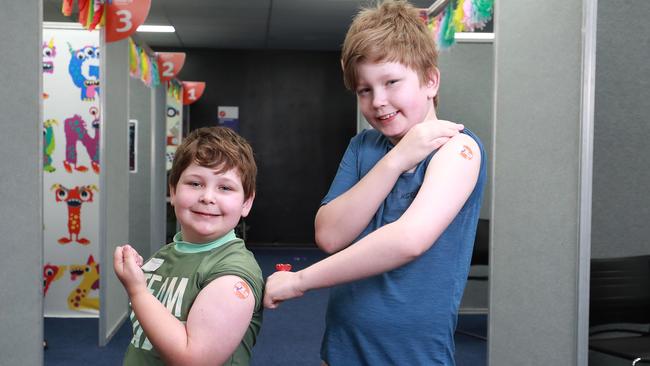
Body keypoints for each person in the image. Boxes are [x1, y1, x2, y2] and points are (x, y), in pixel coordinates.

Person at [263, 1, 487, 365]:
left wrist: (300, 281)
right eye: (364, 90)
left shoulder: (459, 149)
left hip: (413, 355)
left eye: (391, 82)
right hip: (342, 344)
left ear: (430, 80)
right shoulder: (364, 146)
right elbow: (331, 235)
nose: (377, 102)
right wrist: (397, 159)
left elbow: (408, 241)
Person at [114, 127, 264, 365]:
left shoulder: (233, 273)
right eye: (195, 183)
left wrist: (137, 290)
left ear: (246, 202)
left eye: (225, 187)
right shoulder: (166, 254)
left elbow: (194, 360)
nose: (207, 197)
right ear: (173, 191)